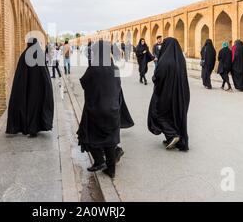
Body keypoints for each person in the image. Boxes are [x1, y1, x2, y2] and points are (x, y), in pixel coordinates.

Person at [77, 41, 135, 179]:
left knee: (86, 135)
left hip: (96, 109)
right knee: (110, 141)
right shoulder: (114, 68)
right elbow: (118, 87)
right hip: (113, 109)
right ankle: (111, 171)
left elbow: (84, 83)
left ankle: (99, 161)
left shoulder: (93, 68)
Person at [148, 38, 190, 151]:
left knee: (158, 113)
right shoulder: (180, 60)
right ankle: (172, 138)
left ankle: (172, 134)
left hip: (165, 93)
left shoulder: (164, 61)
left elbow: (158, 77)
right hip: (180, 94)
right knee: (173, 115)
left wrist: (154, 78)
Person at [6, 38, 54, 138]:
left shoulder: (24, 55)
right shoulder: (39, 55)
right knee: (36, 108)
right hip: (39, 89)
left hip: (27, 89)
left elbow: (19, 76)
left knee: (28, 107)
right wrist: (47, 88)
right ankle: (34, 128)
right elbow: (45, 74)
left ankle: (29, 127)